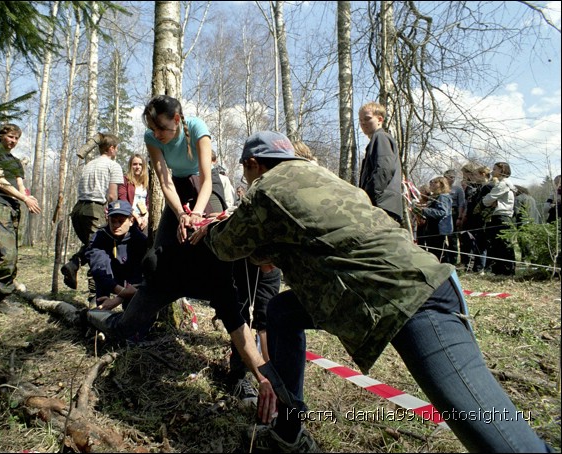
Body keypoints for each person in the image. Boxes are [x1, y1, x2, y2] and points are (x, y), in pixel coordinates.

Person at [192, 131, 549, 453]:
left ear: (254, 164)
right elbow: (314, 237)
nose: (246, 179)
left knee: (496, 435)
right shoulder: (323, 178)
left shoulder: (267, 189)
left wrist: (206, 230)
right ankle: (288, 430)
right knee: (284, 312)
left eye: (246, 172)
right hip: (397, 289)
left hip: (410, 301)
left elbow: (227, 247)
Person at [82, 96, 276, 415]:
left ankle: (243, 375)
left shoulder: (197, 128)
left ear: (178, 119)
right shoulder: (151, 138)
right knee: (155, 263)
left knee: (217, 251)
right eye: (152, 129)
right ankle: (99, 314)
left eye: (162, 128)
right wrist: (181, 214)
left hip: (203, 190)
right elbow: (163, 180)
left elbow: (207, 178)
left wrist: (197, 216)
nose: (156, 134)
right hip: (176, 196)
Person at [0, 123, 42, 315]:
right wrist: (23, 197)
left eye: (16, 138)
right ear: (1, 136)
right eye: (10, 137)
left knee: (10, 252)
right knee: (4, 253)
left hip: (13, 206)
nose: (13, 141)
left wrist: (28, 197)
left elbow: (19, 183)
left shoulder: (15, 161)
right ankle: (0, 298)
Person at [61, 133, 124, 293]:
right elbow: (111, 195)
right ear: (111, 149)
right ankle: (95, 296)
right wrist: (116, 213)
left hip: (78, 210)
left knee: (92, 245)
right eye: (116, 148)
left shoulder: (89, 165)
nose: (116, 151)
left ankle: (74, 264)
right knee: (99, 251)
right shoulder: (113, 166)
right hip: (95, 210)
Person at [84, 200, 147, 310]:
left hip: (132, 281)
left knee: (131, 306)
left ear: (131, 220)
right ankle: (100, 309)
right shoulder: (100, 237)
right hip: (108, 277)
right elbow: (99, 269)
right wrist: (120, 291)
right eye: (113, 221)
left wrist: (119, 299)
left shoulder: (139, 240)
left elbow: (140, 273)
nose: (116, 225)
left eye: (121, 221)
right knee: (102, 284)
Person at [358, 102, 403, 223]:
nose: (363, 123)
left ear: (379, 119)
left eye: (367, 119)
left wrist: (369, 198)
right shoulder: (376, 140)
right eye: (360, 120)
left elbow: (384, 169)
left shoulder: (381, 137)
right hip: (382, 205)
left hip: (383, 206)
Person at [482, 162, 516, 276]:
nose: (492, 171)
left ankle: (507, 270)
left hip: (502, 216)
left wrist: (491, 201)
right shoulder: (503, 183)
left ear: (502, 170)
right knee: (497, 244)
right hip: (499, 216)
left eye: (495, 169)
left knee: (504, 244)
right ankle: (499, 269)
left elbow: (487, 200)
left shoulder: (503, 184)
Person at [459, 163, 491, 273]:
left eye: (477, 174)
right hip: (472, 217)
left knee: (481, 243)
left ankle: (480, 267)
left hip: (481, 218)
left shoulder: (485, 187)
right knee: (472, 242)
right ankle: (472, 266)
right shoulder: (474, 187)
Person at [418, 176, 453, 262]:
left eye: (435, 182)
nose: (432, 184)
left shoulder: (443, 197)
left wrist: (424, 210)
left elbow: (442, 212)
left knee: (439, 252)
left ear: (441, 185)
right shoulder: (436, 197)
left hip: (439, 228)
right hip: (432, 227)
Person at [118, 154, 149, 234]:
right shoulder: (125, 180)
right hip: (129, 217)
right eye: (134, 164)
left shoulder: (146, 182)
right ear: (130, 166)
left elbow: (149, 203)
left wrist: (145, 217)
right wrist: (136, 216)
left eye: (140, 164)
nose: (138, 167)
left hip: (143, 219)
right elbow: (123, 200)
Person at [513, 185, 542, 263]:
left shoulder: (518, 198)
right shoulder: (531, 198)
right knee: (532, 242)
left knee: (524, 242)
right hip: (534, 222)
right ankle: (533, 260)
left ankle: (526, 259)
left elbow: (516, 211)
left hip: (523, 223)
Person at [444, 169, 466, 265]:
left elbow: (461, 204)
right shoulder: (441, 188)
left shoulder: (458, 189)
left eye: (453, 177)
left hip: (453, 214)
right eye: (450, 177)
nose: (452, 179)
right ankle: (444, 259)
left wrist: (459, 217)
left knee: (452, 239)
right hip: (443, 214)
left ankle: (453, 260)